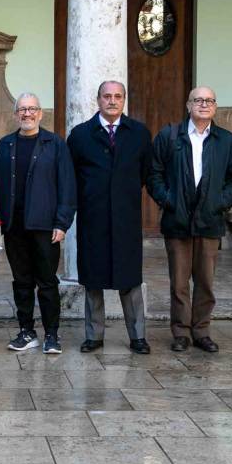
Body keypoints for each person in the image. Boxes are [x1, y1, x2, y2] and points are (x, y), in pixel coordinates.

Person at [148, 86, 232, 353]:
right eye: (198, 100)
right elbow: (153, 174)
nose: (204, 104)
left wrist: (221, 203)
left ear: (215, 106)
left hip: (209, 221)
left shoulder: (224, 139)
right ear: (188, 105)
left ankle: (202, 331)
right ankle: (181, 332)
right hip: (177, 221)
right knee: (179, 283)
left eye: (209, 100)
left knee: (205, 281)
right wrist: (168, 200)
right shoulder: (169, 136)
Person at [67, 81, 153, 354]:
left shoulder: (139, 133)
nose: (112, 101)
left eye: (117, 96)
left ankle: (137, 336)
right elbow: (72, 177)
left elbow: (144, 174)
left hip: (126, 218)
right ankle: (94, 336)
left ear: (124, 99)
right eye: (107, 96)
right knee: (93, 279)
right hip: (93, 217)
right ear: (98, 99)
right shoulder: (80, 135)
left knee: (130, 279)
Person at [0, 92, 76, 354]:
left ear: (40, 113)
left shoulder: (55, 144)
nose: (27, 114)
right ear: (16, 114)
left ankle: (52, 334)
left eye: (32, 109)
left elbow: (67, 187)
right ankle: (26, 331)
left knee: (47, 281)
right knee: (21, 281)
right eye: (22, 109)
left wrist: (62, 224)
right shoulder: (5, 145)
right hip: (14, 227)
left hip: (45, 227)